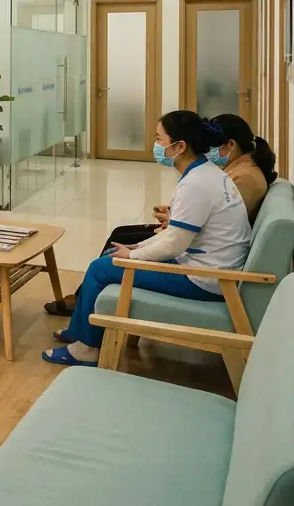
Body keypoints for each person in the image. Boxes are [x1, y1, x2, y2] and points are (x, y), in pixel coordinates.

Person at [43, 110, 252, 367]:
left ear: (180, 146)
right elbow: (174, 233)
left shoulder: (196, 184)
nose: (156, 145)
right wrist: (136, 246)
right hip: (208, 269)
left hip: (204, 279)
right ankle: (79, 332)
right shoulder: (207, 174)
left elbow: (174, 244)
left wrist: (132, 256)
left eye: (159, 139)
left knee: (100, 268)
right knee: (111, 256)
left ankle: (86, 349)